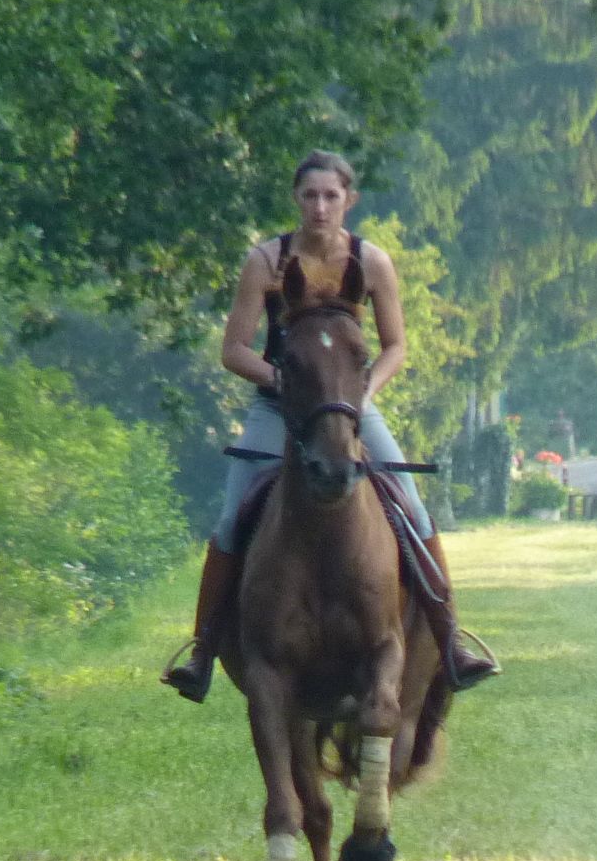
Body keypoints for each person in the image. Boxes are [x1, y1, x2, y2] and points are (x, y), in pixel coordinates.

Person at [161, 151, 500, 702]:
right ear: (296, 200)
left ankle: (452, 640)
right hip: (279, 405)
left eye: (331, 196)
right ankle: (202, 651)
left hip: (349, 403)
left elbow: (395, 346)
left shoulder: (372, 262)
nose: (320, 207)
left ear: (349, 200)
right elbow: (233, 349)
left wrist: (363, 390)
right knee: (232, 518)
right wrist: (284, 381)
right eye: (310, 196)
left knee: (412, 507)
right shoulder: (265, 262)